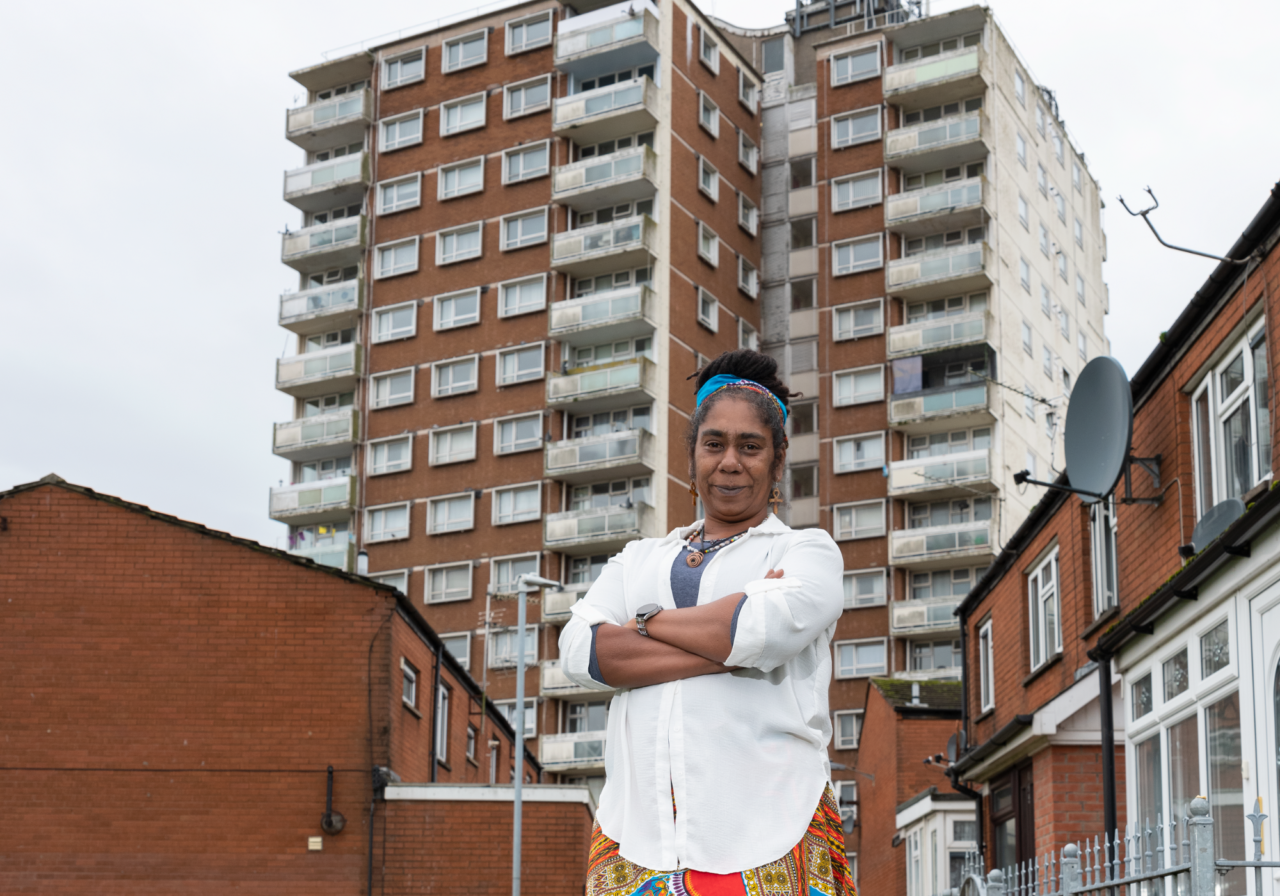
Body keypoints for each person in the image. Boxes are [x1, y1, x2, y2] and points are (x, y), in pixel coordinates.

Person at [558, 349, 853, 896]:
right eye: (714, 443)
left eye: (750, 446)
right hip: (637, 837)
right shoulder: (636, 558)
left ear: (778, 457)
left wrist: (642, 623)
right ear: (691, 453)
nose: (730, 461)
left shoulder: (808, 552)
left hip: (771, 832)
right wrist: (728, 642)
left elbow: (758, 630)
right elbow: (583, 654)